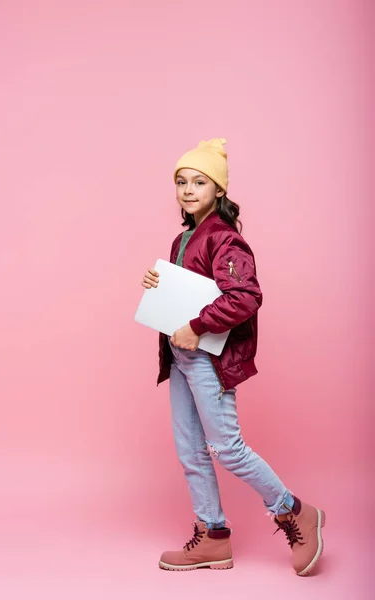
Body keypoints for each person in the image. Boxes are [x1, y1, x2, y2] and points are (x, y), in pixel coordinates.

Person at [141, 138, 325, 575]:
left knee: (227, 447)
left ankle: (293, 510)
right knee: (191, 451)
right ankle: (213, 536)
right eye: (181, 182)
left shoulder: (225, 239)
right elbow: (189, 294)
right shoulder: (183, 237)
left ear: (218, 190)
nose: (188, 189)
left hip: (207, 357)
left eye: (199, 182)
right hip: (181, 355)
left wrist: (198, 326)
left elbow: (245, 296)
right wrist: (158, 284)